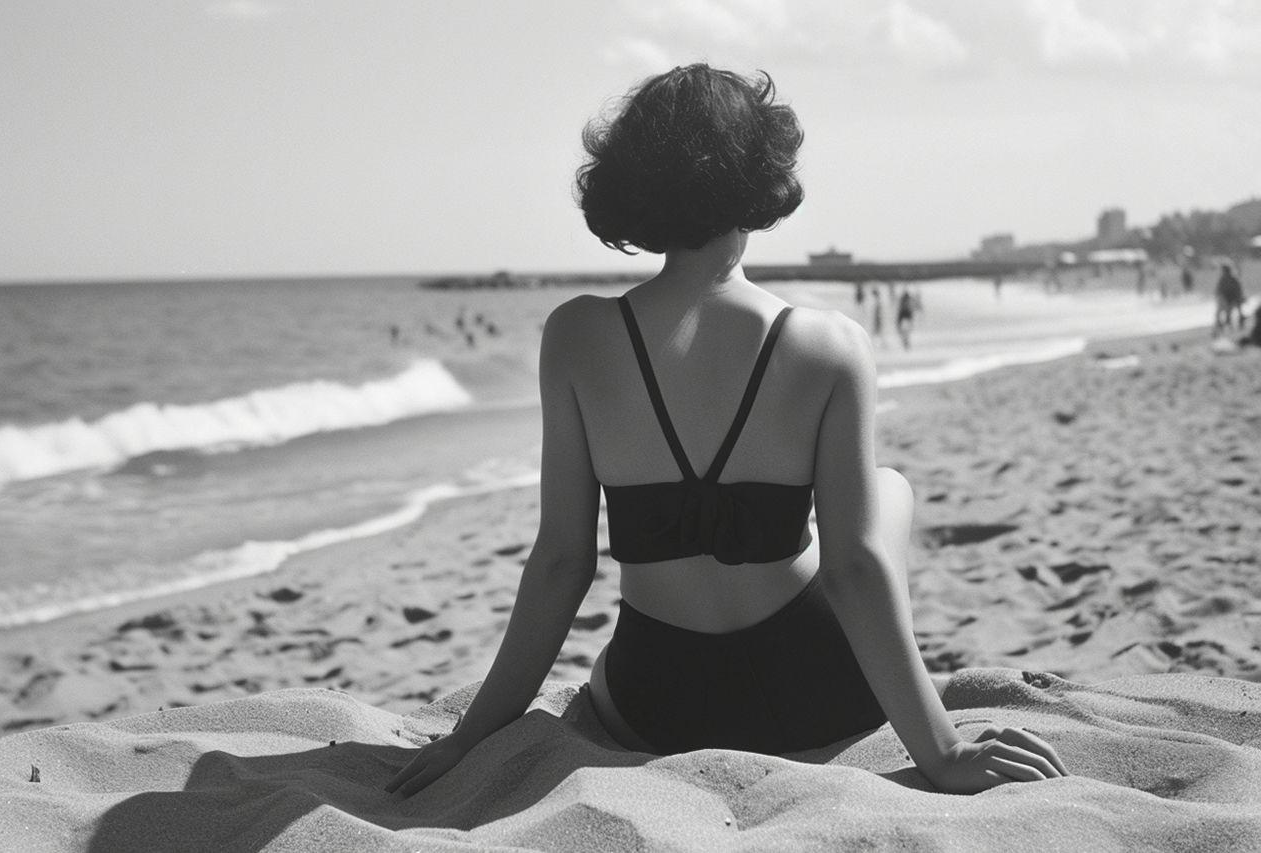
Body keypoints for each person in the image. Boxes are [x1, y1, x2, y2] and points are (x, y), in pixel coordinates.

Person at [385, 63, 1066, 799]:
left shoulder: (577, 335)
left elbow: (560, 562)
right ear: (757, 180)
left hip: (654, 707)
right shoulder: (829, 344)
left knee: (866, 502)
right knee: (888, 491)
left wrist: (471, 735)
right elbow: (855, 569)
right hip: (817, 695)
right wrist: (943, 751)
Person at [1215, 263, 1245, 333]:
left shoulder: (1232, 280)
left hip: (1232, 299)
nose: (1223, 272)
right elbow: (1218, 290)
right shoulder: (1223, 280)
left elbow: (1237, 290)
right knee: (1219, 313)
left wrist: (1238, 298)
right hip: (1225, 299)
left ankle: (1230, 325)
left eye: (1224, 271)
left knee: (1229, 313)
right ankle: (1221, 325)